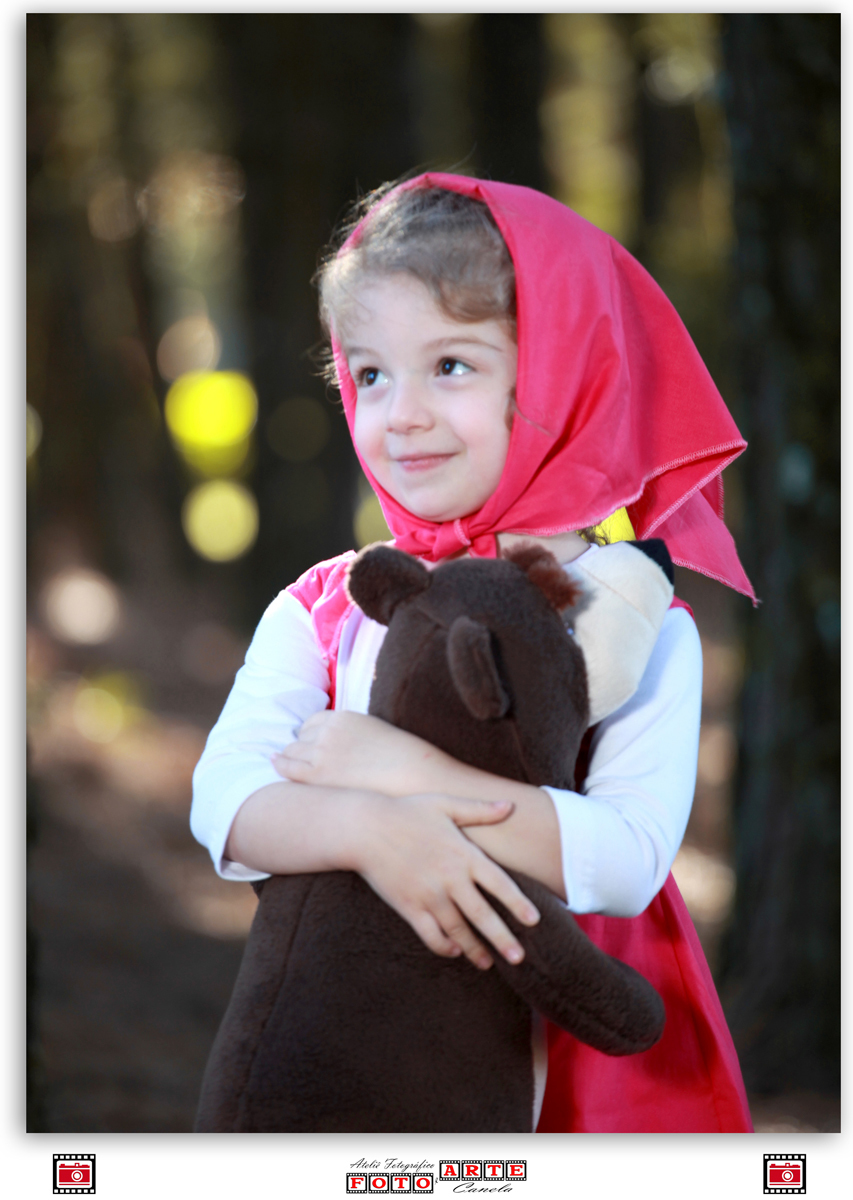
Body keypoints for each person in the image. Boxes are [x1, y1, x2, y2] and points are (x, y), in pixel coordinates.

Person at [190, 174, 756, 1133]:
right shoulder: (323, 607)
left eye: (451, 365)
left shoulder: (641, 621)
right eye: (371, 373)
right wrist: (378, 836)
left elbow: (622, 860)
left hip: (576, 1075)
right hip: (358, 1047)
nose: (401, 413)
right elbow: (225, 805)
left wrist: (391, 772)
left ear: (561, 379)